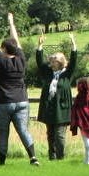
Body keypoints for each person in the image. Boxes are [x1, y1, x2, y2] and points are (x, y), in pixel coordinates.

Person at [0, 11, 39, 166]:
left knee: (2, 134)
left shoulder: (1, 60)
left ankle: (2, 163)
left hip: (3, 102)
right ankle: (33, 157)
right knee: (23, 130)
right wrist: (11, 23)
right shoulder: (22, 59)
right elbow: (16, 41)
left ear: (4, 50)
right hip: (21, 101)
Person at [36, 32, 78, 160]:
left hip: (62, 108)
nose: (51, 63)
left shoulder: (67, 74)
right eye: (51, 61)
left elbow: (74, 60)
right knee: (50, 134)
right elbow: (39, 61)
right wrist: (40, 46)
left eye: (54, 61)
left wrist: (73, 44)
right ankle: (52, 157)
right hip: (49, 107)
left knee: (59, 135)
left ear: (60, 62)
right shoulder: (48, 73)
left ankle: (60, 157)